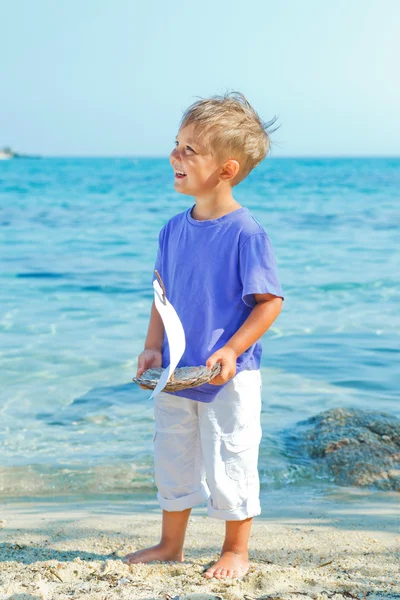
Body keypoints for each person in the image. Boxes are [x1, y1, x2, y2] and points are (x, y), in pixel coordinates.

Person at [124, 92, 284, 579]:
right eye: (177, 144)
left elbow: (269, 301)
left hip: (228, 375)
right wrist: (153, 345)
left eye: (190, 149)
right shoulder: (173, 229)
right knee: (172, 454)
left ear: (226, 169)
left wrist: (234, 348)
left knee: (230, 458)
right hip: (175, 372)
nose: (175, 155)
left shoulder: (245, 233)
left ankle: (236, 549)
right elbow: (162, 295)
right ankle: (170, 544)